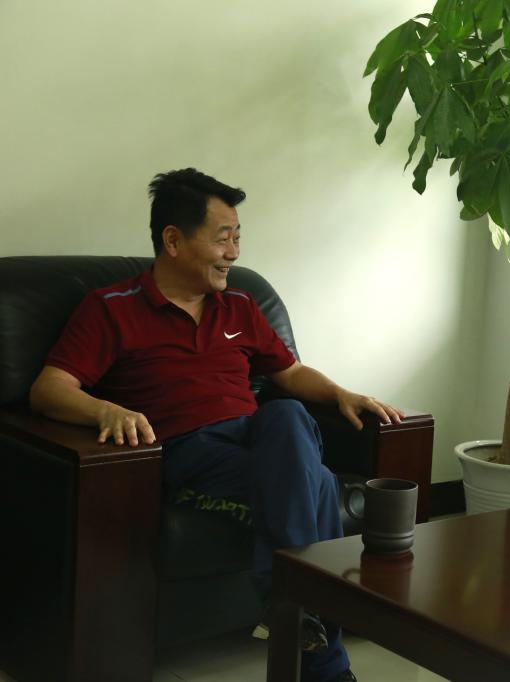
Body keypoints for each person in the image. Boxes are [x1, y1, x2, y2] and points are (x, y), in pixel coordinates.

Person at [29, 168, 398, 682]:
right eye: (224, 238)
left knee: (288, 414)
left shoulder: (241, 304)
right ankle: (325, 661)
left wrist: (341, 395)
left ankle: (287, 601)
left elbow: (289, 373)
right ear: (173, 241)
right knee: (315, 482)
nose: (234, 253)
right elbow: (48, 388)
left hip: (260, 440)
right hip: (189, 451)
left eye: (238, 238)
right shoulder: (111, 309)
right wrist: (105, 410)